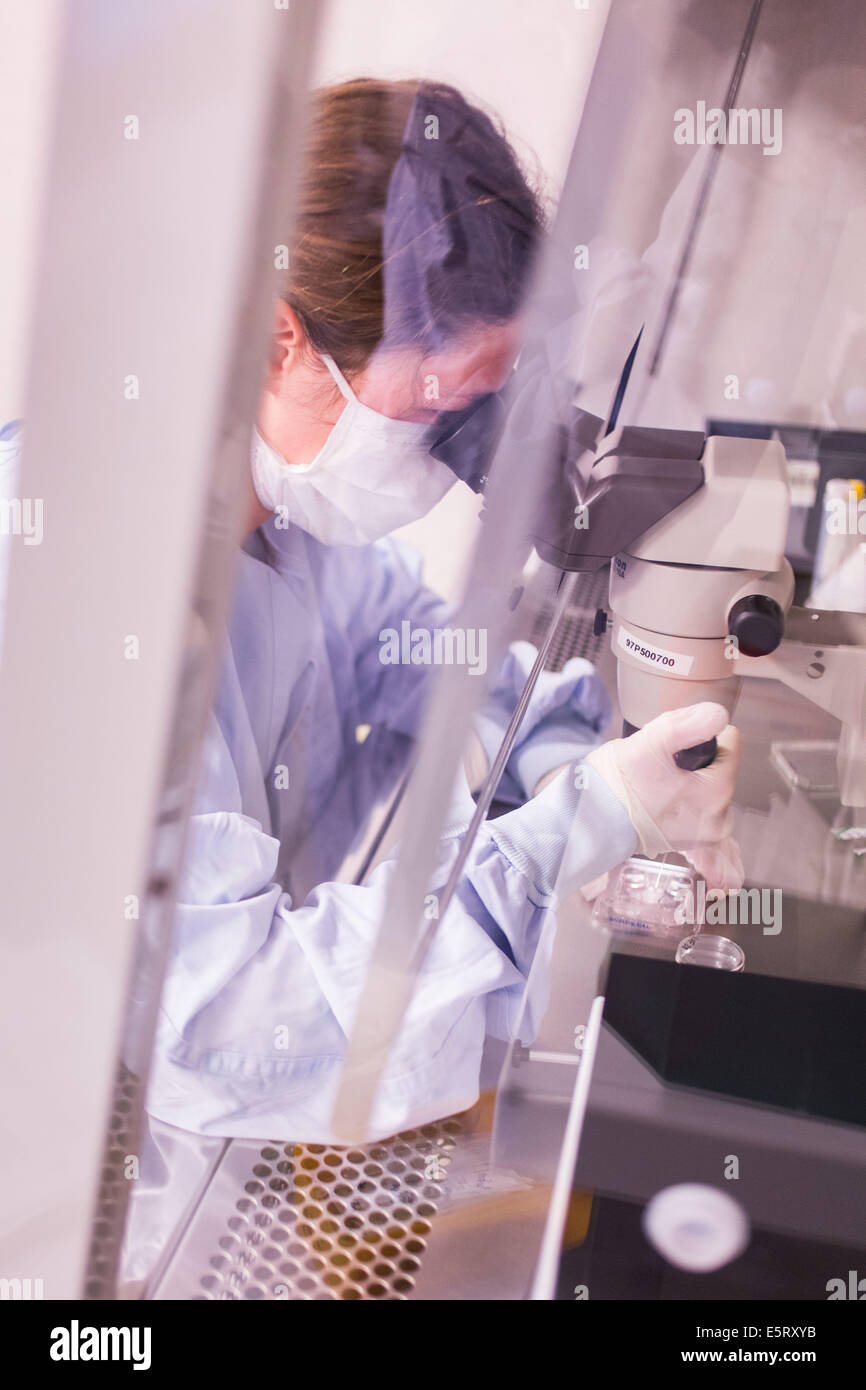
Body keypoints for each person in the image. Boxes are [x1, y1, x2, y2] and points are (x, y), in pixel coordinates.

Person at [2, 80, 743, 1151]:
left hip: (197, 1142)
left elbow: (440, 664)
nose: (447, 456)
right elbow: (224, 1013)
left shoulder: (287, 525)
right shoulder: (83, 582)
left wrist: (570, 757)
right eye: (437, 404)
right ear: (277, 344)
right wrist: (580, 827)